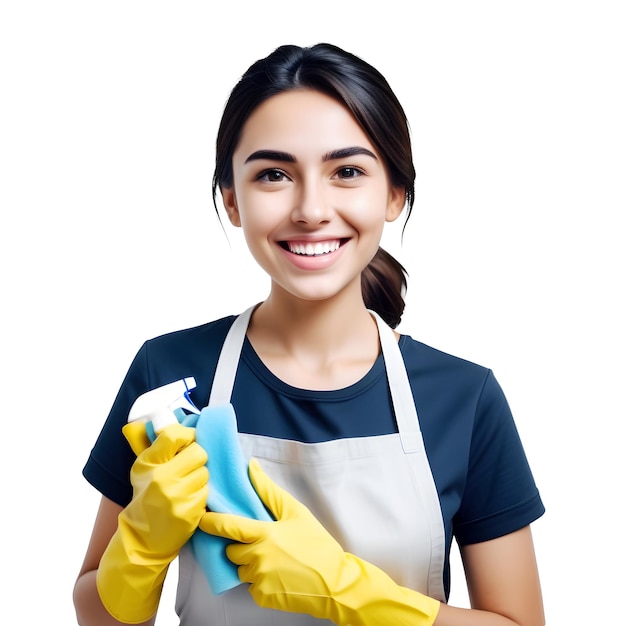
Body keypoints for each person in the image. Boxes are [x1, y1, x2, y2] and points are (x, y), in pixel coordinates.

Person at [73, 43, 545, 626]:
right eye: (274, 174)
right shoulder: (169, 372)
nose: (311, 209)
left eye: (347, 171)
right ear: (233, 200)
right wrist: (139, 547)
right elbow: (95, 614)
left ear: (394, 193)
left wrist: (349, 593)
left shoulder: (462, 397)